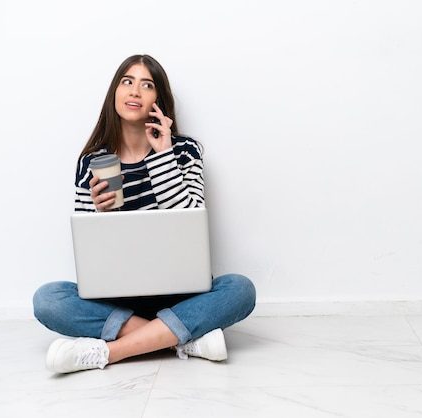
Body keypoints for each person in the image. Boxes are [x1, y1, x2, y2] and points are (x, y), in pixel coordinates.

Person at [33, 54, 256, 374]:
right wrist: (99, 213)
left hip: (182, 294)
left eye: (146, 84)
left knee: (241, 288)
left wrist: (163, 156)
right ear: (115, 94)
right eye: (127, 82)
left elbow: (190, 220)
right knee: (48, 299)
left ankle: (110, 352)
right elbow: (88, 255)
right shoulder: (93, 163)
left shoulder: (183, 152)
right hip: (121, 299)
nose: (135, 91)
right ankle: (183, 339)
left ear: (159, 101)